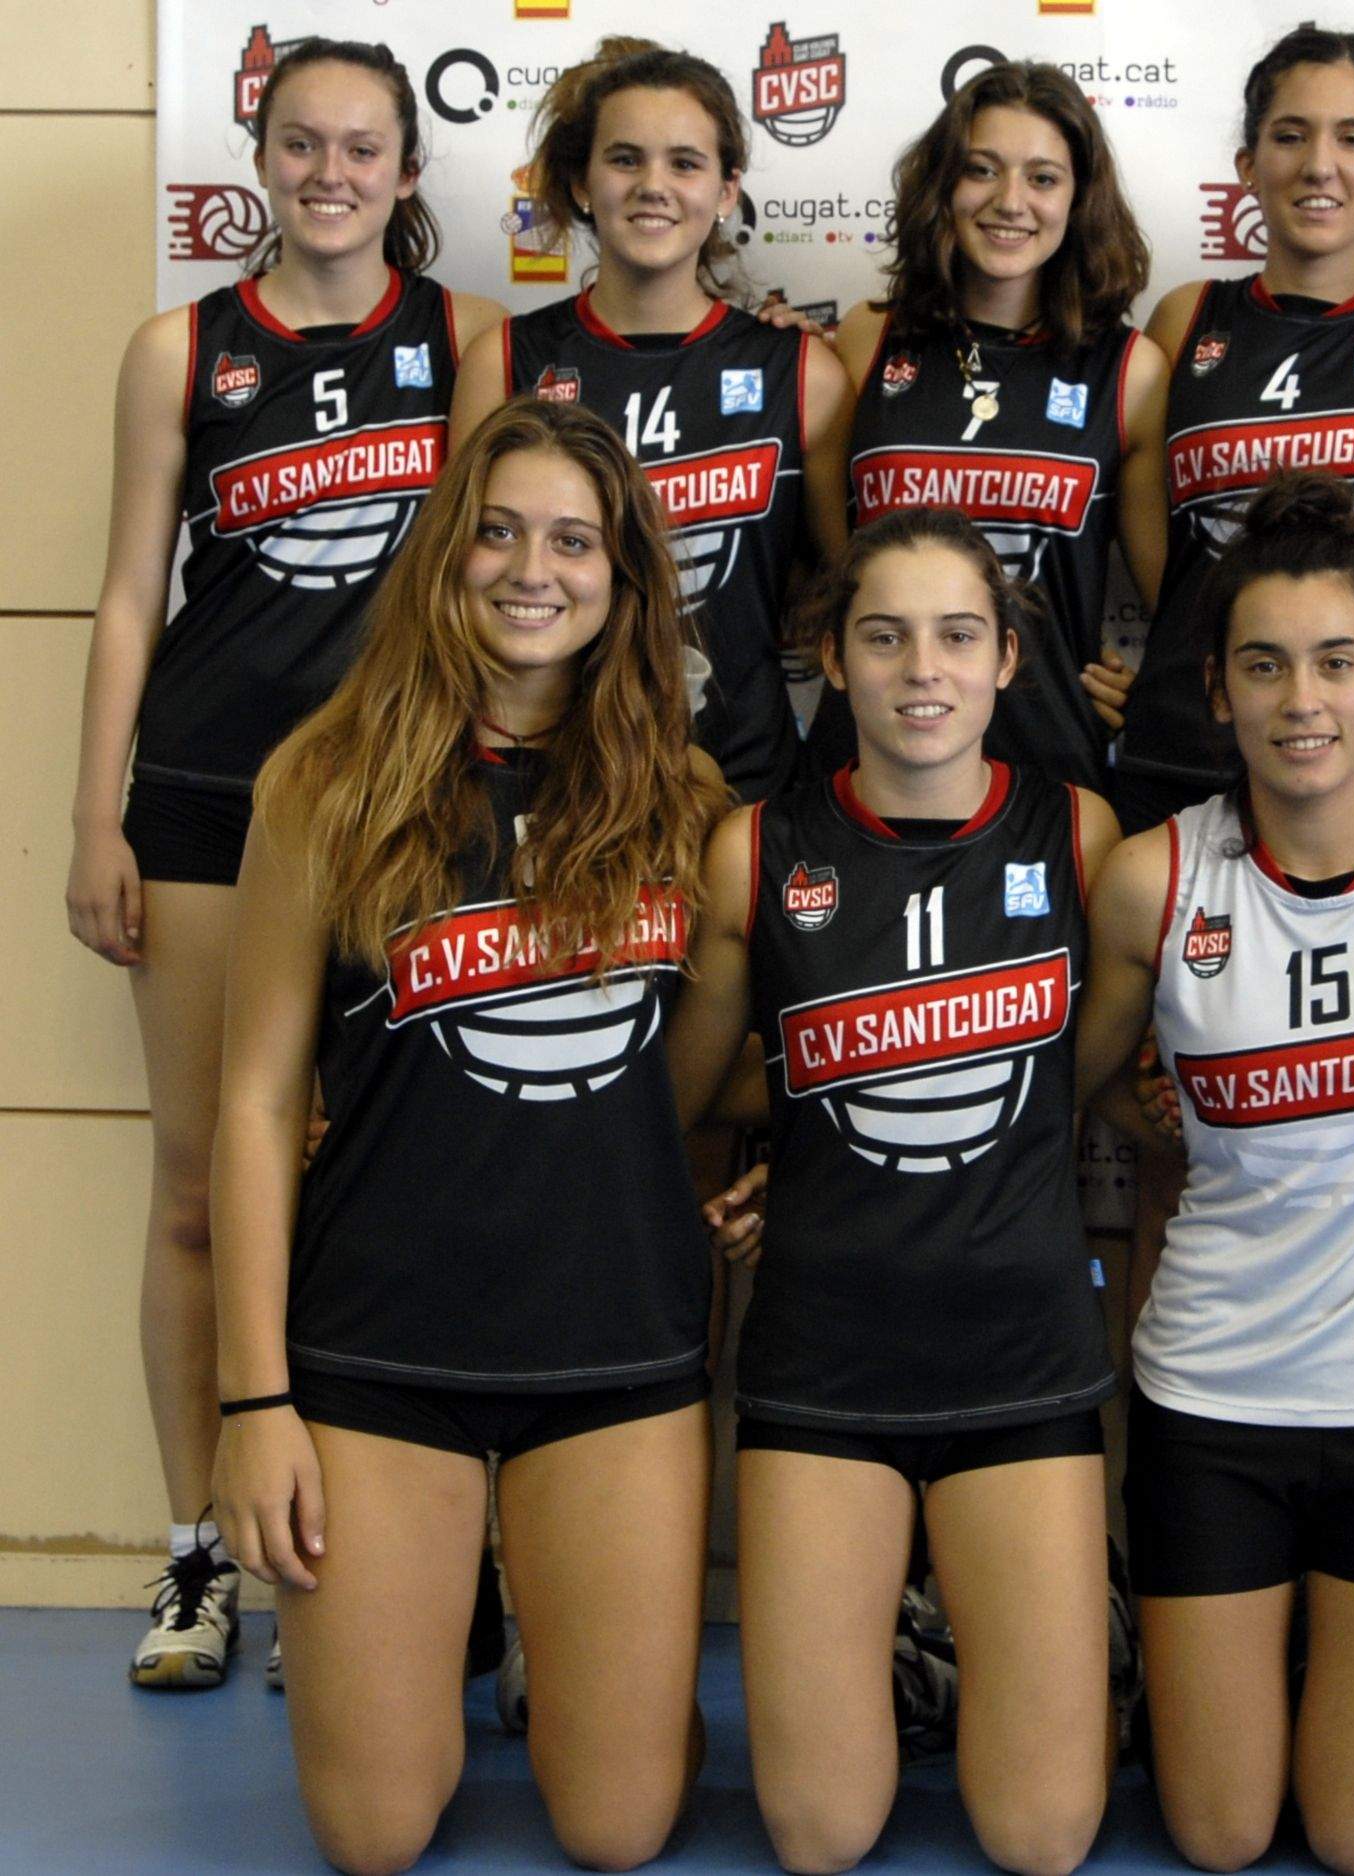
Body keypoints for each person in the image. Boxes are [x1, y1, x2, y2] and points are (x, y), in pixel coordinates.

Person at [210, 396, 728, 1874]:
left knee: (618, 1828)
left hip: (613, 1348)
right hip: (380, 1352)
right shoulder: (325, 779)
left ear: (625, 583)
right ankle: (453, 1642)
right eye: (497, 530)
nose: (530, 568)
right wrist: (254, 1409)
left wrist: (746, 1173)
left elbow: (712, 1058)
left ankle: (563, 1673)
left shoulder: (681, 797)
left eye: (573, 540)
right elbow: (252, 1106)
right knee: (375, 1835)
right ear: (443, 553)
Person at [67, 35, 496, 1692]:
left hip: (402, 813)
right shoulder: (181, 349)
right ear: (261, 156)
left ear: (406, 170)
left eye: (364, 146)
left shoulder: (463, 341)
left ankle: (429, 1560)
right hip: (201, 803)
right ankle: (195, 1558)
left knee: (402, 1186)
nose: (332, 170)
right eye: (303, 142)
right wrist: (94, 814)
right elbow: (126, 597)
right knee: (195, 1193)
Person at [1072, 472, 1354, 1873]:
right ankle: (1175, 1672)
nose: (1301, 702)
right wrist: (1176, 1139)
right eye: (1263, 667)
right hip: (1209, 1398)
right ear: (1213, 691)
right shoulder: (1156, 880)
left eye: (1336, 662)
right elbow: (1068, 1078)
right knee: (1217, 1836)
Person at [668, 510, 1119, 1876]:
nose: (921, 668)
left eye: (955, 635)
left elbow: (1085, 1070)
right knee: (816, 1835)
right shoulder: (755, 847)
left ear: (1002, 661)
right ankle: (909, 1636)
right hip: (825, 1368)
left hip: (1021, 1363)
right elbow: (687, 1089)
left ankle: (959, 1630)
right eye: (884, 636)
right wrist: (790, 1137)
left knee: (1041, 1840)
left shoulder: (1085, 835)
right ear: (833, 660)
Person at [1100, 22, 1354, 835]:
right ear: (1249, 166)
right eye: (1290, 135)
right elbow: (1166, 568)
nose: (1319, 164)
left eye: (1352, 138)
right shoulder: (1183, 321)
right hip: (1183, 746)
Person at [451, 35, 850, 802]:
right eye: (625, 159)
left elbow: (843, 589)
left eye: (685, 163)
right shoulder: (504, 360)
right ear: (579, 181)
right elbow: (456, 586)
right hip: (552, 785)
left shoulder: (801, 372)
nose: (653, 187)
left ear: (728, 190)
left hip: (747, 784)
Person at [804, 59, 1167, 792]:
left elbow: (1176, 603)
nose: (1010, 201)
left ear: (1079, 198)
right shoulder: (865, 340)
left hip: (1049, 759)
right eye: (982, 170)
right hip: (871, 753)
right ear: (944, 185)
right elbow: (839, 575)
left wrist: (1156, 687)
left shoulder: (1130, 372)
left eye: (1043, 178)